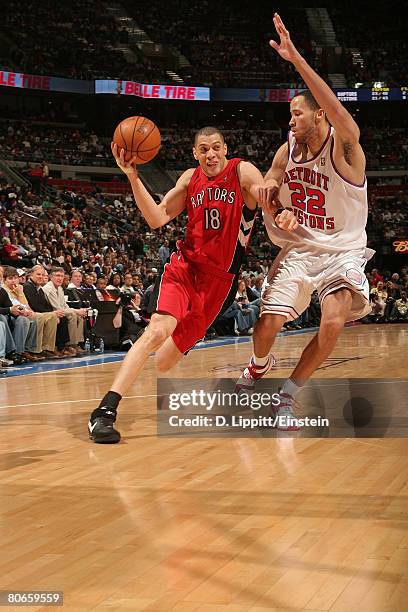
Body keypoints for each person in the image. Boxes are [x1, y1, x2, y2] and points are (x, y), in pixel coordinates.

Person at [88, 126, 297, 443]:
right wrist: (132, 176)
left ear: (225, 148)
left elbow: (263, 194)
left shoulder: (240, 170)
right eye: (203, 149)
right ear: (195, 153)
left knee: (163, 363)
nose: (210, 154)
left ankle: (212, 341)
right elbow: (157, 217)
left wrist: (279, 212)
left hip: (218, 284)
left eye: (215, 147)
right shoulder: (189, 179)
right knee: (156, 330)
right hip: (185, 267)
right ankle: (104, 412)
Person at [236, 13, 373, 430]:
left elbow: (332, 104)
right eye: (289, 114)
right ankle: (260, 363)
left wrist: (295, 59)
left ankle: (288, 397)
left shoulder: (346, 147)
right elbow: (274, 180)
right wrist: (276, 202)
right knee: (267, 324)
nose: (290, 119)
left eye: (297, 113)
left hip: (343, 250)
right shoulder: (286, 150)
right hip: (301, 248)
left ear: (319, 117)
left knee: (332, 321)